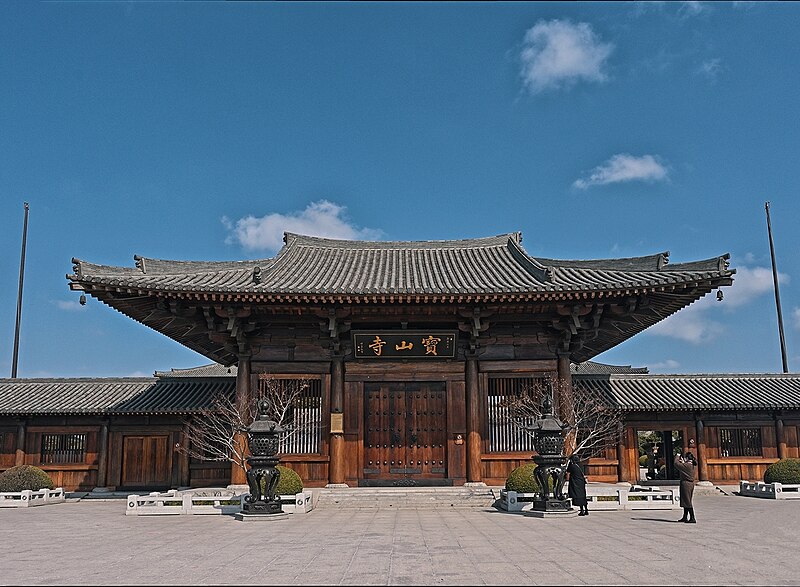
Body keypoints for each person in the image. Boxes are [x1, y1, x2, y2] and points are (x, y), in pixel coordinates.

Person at [674, 450, 697, 523]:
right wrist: (683, 462)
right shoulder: (691, 465)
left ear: (687, 458)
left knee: (687, 501)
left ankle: (692, 517)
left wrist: (677, 455)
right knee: (686, 500)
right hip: (690, 484)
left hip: (686, 484)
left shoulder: (687, 466)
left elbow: (676, 463)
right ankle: (685, 516)